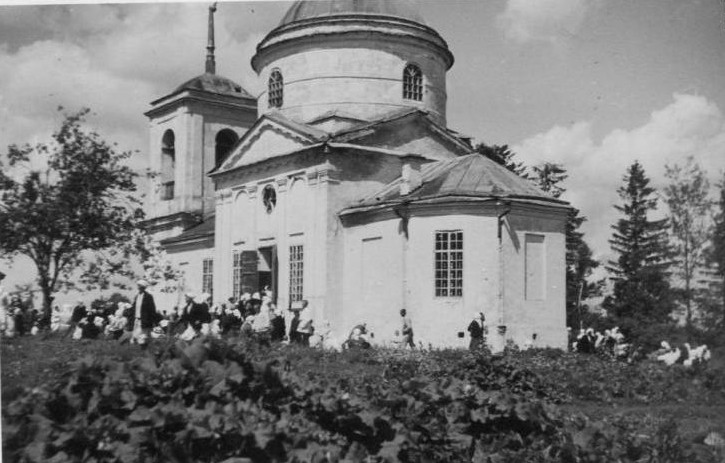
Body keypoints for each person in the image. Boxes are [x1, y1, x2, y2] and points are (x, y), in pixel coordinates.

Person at [129, 280, 157, 346]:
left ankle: (143, 347)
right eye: (138, 285)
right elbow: (133, 307)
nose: (138, 287)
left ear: (143, 287)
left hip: (144, 319)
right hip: (136, 318)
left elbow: (152, 309)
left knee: (143, 335)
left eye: (139, 286)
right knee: (136, 334)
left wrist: (152, 320)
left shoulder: (148, 296)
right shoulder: (137, 296)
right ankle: (140, 347)